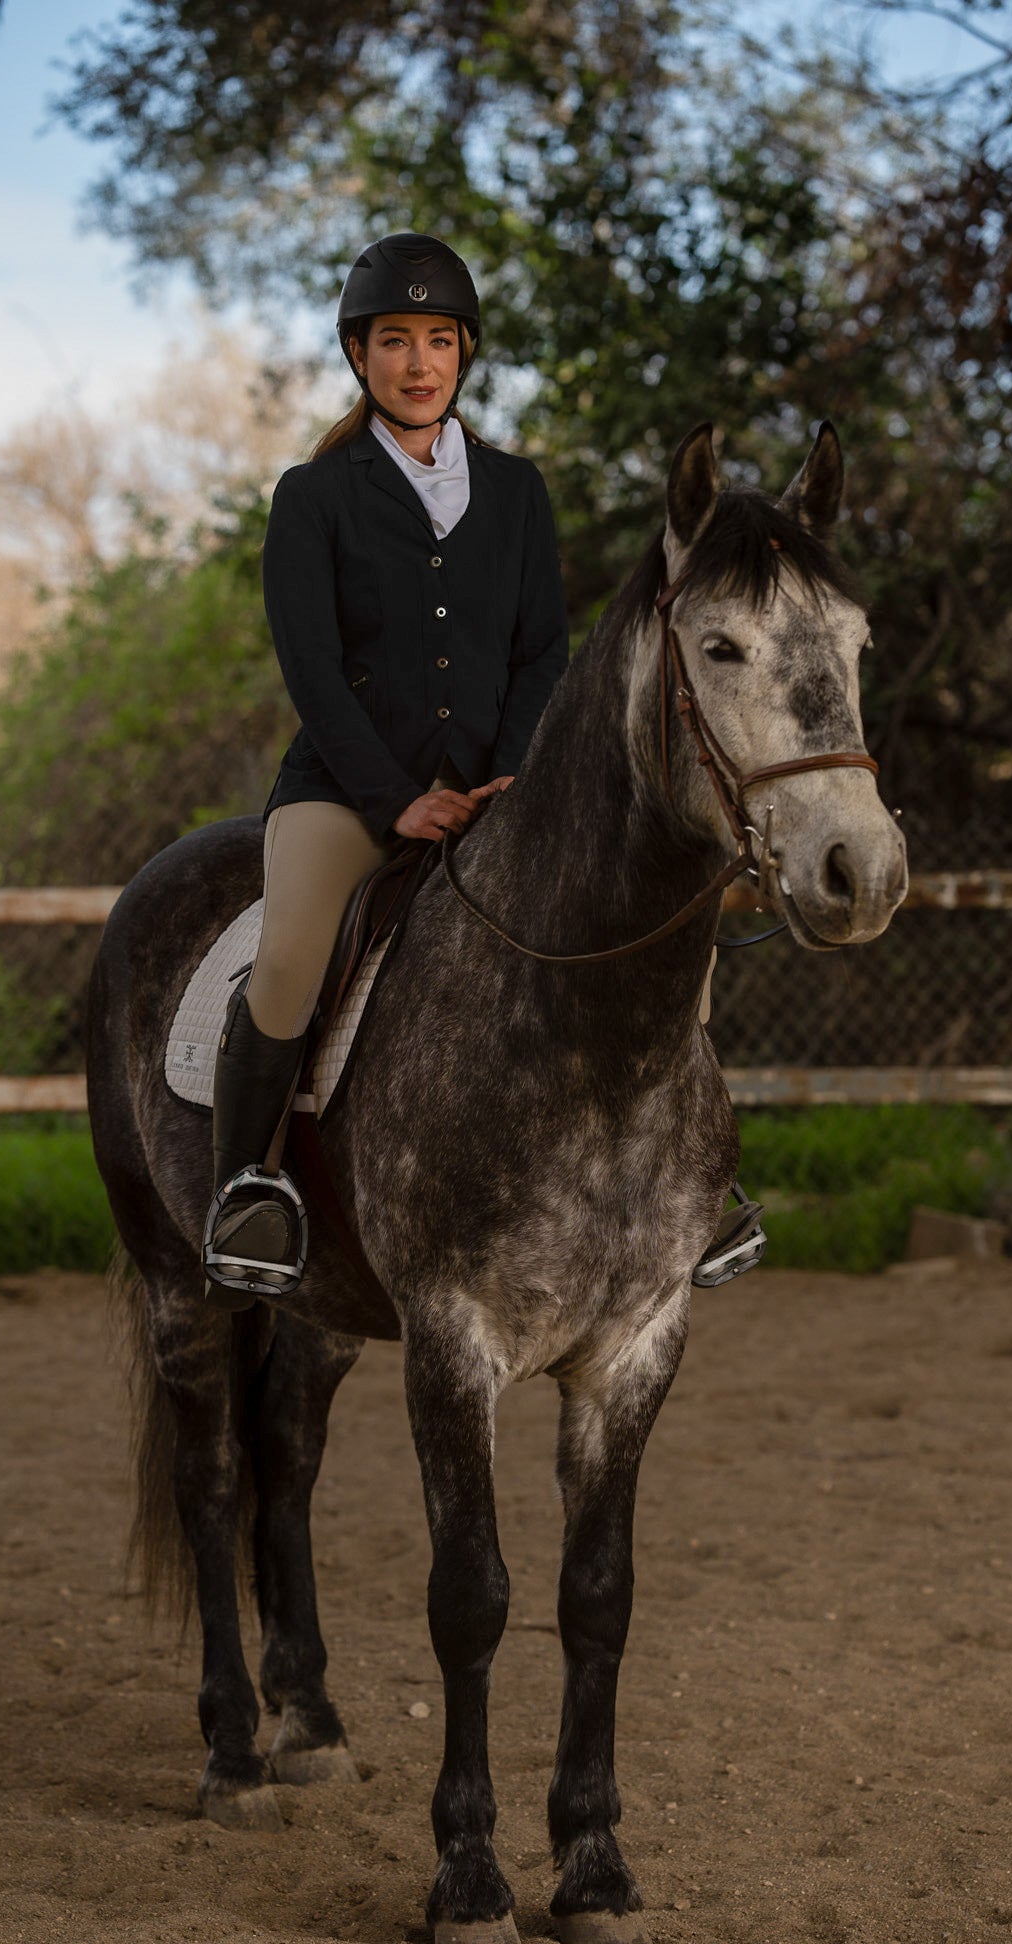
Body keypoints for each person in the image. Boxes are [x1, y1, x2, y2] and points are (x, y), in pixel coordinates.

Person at [203, 231, 569, 1302]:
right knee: (290, 956)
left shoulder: (516, 491)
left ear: (465, 356)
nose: (420, 361)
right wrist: (396, 799)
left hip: (499, 789)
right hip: (350, 794)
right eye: (396, 340)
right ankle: (246, 1185)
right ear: (361, 356)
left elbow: (543, 647)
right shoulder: (312, 499)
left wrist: (511, 776)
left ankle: (690, 1177)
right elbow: (312, 670)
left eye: (439, 340)